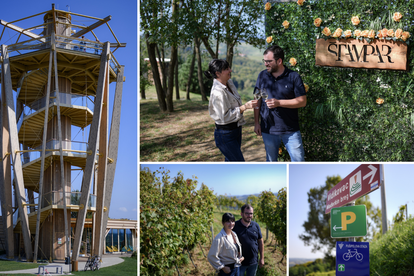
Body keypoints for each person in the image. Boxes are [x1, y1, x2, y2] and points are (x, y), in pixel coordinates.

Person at [254, 45, 307, 161]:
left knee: (299, 162)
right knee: (271, 163)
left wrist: (279, 103)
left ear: (279, 61)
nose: (265, 64)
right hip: (268, 130)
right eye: (264, 61)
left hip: (291, 130)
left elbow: (302, 101)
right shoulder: (262, 76)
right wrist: (256, 122)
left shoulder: (293, 77)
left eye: (268, 61)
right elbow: (257, 100)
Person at [204, 59, 258, 162]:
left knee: (230, 163)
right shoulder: (217, 93)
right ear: (217, 73)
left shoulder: (228, 82)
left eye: (229, 68)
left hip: (236, 129)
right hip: (225, 134)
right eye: (226, 69)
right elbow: (225, 117)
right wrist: (244, 107)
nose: (230, 70)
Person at [233, 204, 264, 276]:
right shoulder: (235, 226)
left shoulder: (256, 225)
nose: (249, 215)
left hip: (253, 262)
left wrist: (262, 258)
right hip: (239, 263)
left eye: (251, 213)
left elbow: (260, 241)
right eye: (247, 213)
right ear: (241, 214)